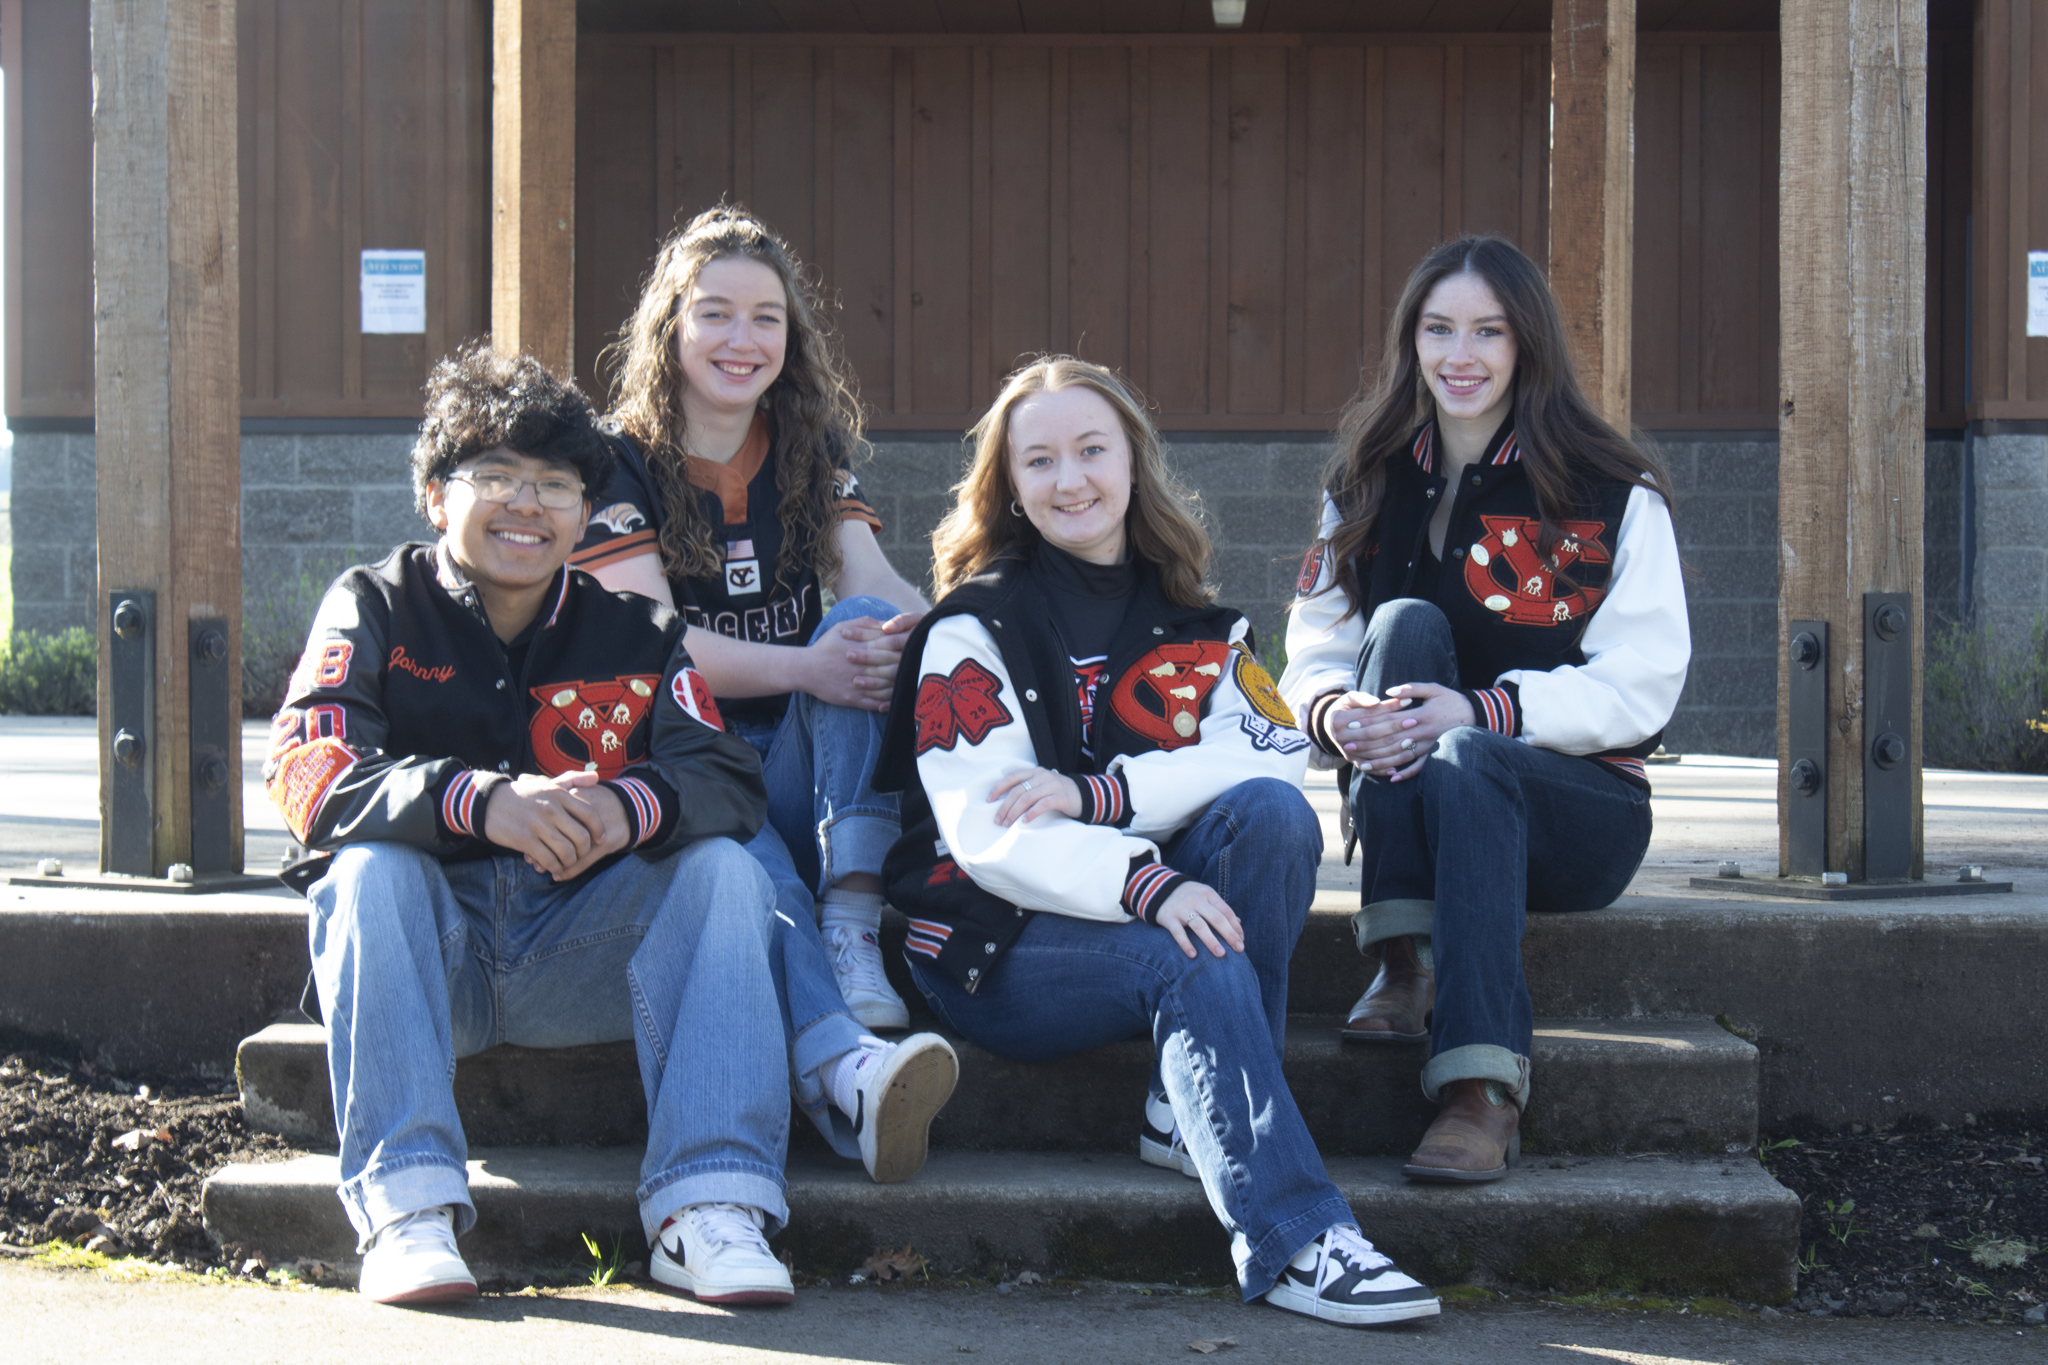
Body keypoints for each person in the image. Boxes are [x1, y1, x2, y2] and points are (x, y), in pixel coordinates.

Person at [870, 356, 1440, 1328]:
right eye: (1039, 460)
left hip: (1123, 902)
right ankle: (1296, 1237)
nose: (1070, 479)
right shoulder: (971, 631)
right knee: (1191, 958)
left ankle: (1186, 1113)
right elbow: (989, 834)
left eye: (1091, 450)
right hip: (988, 945)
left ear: (1132, 461)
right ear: (1009, 486)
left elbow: (1270, 765)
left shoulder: (1204, 628)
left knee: (1270, 822)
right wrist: (1144, 883)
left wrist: (1101, 794)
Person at [269, 347, 821, 1306]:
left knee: (732, 875)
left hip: (583, 950)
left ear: (584, 510)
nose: (528, 505)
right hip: (430, 957)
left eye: (556, 484)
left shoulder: (636, 632)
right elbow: (305, 768)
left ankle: (710, 1208)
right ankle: (407, 1208)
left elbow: (728, 774)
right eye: (496, 477)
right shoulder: (373, 603)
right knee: (364, 872)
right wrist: (480, 801)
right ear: (438, 495)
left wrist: (623, 805)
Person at [1279, 234, 1690, 1183]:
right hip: (1428, 810)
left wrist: (1485, 710)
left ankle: (1480, 1088)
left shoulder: (1610, 491)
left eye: (1487, 332)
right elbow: (1313, 641)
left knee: (1468, 754)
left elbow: (1644, 684)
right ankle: (1404, 955)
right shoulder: (1365, 480)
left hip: (1577, 812)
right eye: (1438, 329)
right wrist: (1332, 709)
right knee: (1406, 624)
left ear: (1526, 344)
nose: (1459, 355)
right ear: (1410, 341)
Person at [574, 206, 954, 1178]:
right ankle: (847, 1074)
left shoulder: (803, 445)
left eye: (765, 319)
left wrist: (954, 641)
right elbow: (648, 643)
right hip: (678, 762)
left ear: (792, 338)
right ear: (669, 328)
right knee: (738, 806)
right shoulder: (614, 461)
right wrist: (803, 667)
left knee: (855, 628)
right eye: (714, 315)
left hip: (797, 764)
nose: (741, 341)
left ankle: (852, 918)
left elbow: (872, 582)